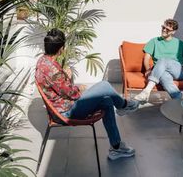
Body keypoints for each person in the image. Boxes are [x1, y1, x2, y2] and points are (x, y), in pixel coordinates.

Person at [35, 29, 139, 160]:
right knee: (104, 85)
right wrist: (78, 85)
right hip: (67, 111)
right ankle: (123, 105)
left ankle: (116, 147)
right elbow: (72, 94)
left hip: (63, 106)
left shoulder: (42, 61)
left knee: (107, 102)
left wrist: (71, 82)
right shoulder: (53, 70)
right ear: (61, 49)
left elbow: (60, 88)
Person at [134, 19, 183, 103]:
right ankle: (180, 100)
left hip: (178, 71)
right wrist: (147, 70)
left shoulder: (180, 43)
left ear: (173, 32)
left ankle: (146, 91)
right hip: (160, 70)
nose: (164, 30)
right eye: (163, 27)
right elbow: (146, 58)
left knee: (163, 60)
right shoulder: (154, 41)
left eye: (167, 29)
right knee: (164, 77)